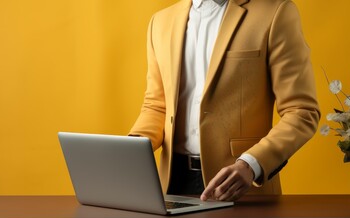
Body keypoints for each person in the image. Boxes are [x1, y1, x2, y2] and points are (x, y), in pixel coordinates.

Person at [129, 0, 320, 201]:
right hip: (172, 184)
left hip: (242, 186)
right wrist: (133, 148)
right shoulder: (160, 22)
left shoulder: (276, 13)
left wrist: (250, 164)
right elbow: (157, 105)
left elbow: (301, 111)